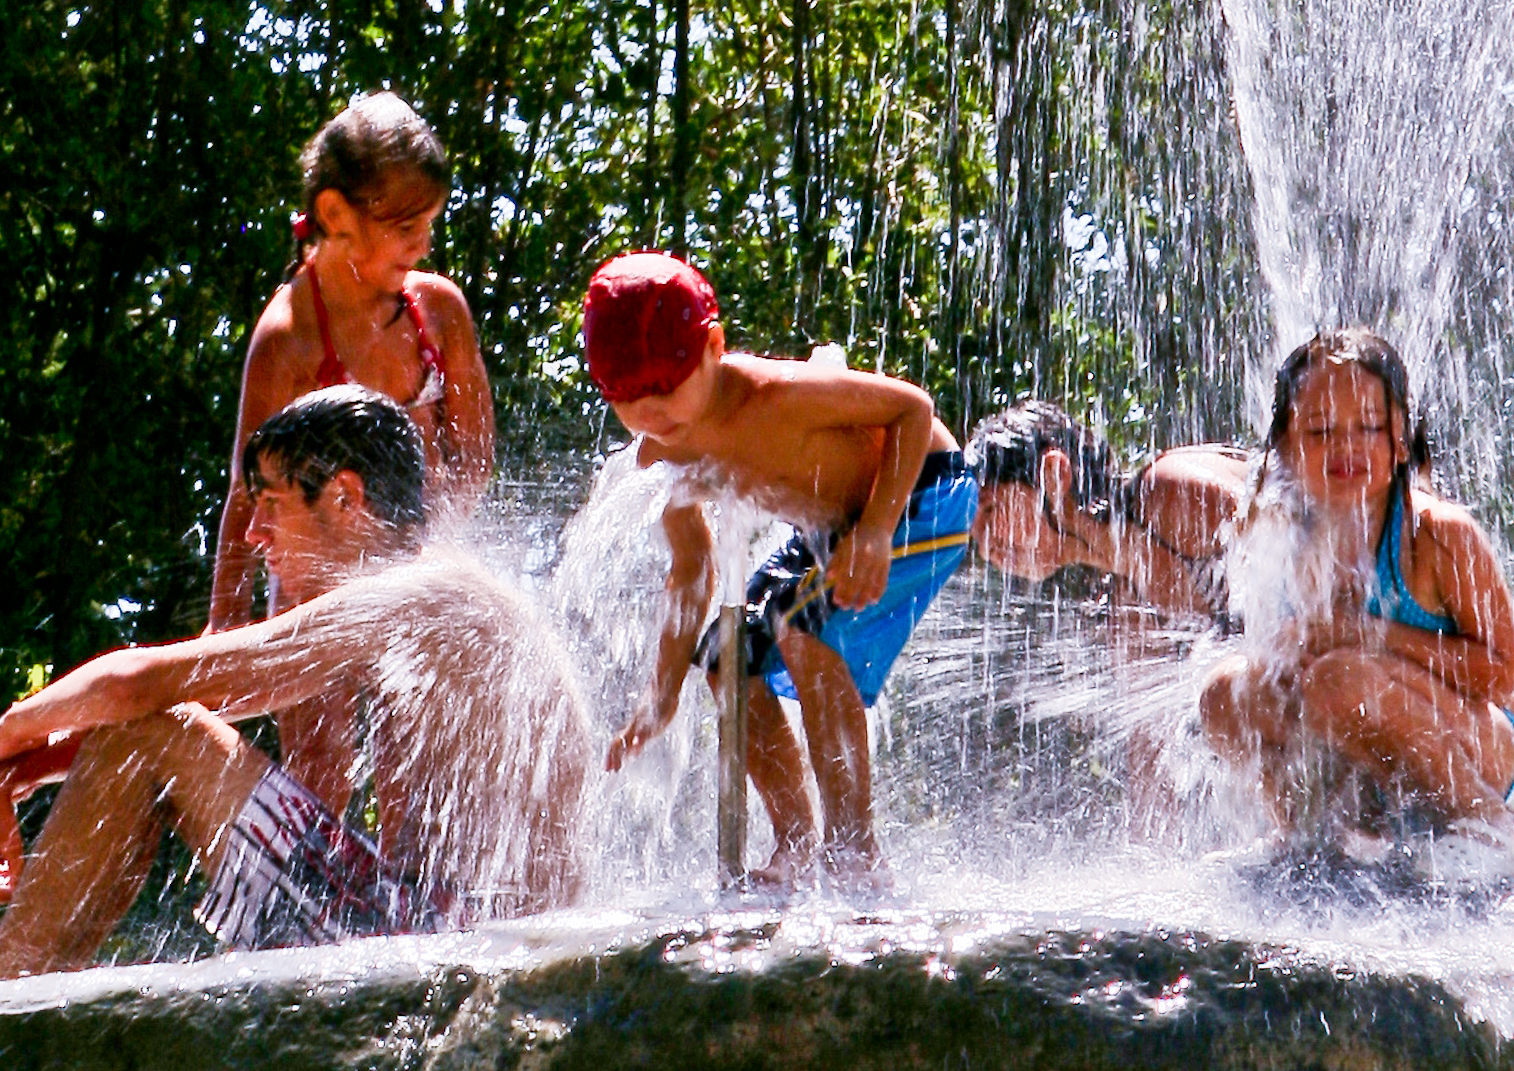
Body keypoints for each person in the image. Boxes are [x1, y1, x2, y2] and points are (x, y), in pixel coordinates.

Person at [0, 387, 588, 979]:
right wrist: (12, 777)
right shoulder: (442, 595)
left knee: (151, 734)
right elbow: (179, 702)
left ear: (345, 498)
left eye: (272, 502)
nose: (254, 533)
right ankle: (2, 998)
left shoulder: (420, 597)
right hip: (463, 939)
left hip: (467, 952)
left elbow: (139, 685)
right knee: (147, 731)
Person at [588, 252, 977, 888]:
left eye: (667, 386)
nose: (653, 412)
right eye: (629, 399)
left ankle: (855, 852)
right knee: (724, 658)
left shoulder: (774, 397)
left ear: (713, 346)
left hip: (920, 498)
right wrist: (659, 698)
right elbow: (690, 571)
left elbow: (912, 408)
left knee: (804, 628)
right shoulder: (662, 456)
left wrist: (877, 530)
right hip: (825, 529)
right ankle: (795, 842)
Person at [1197, 329, 1514, 877]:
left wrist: (1363, 636)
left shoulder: (1435, 535)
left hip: (1471, 748)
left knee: (1339, 680)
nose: (1346, 446)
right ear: (1284, 447)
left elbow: (1501, 673)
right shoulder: (1281, 535)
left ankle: (1486, 824)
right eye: (1321, 429)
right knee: (1227, 692)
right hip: (1359, 755)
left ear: (1401, 438)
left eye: (1369, 426)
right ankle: (1306, 832)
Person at [208, 92, 495, 633]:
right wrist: (222, 624)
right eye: (408, 227)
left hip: (421, 566)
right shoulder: (289, 340)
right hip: (313, 592)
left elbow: (475, 459)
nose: (424, 244)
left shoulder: (437, 313)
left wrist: (414, 555)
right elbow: (247, 492)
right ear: (336, 214)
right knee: (311, 658)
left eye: (430, 224)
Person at [966, 399, 1251, 617]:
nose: (985, 548)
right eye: (975, 534)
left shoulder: (1169, 496)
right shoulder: (1124, 603)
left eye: (991, 510)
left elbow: (1290, 534)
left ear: (1054, 474)